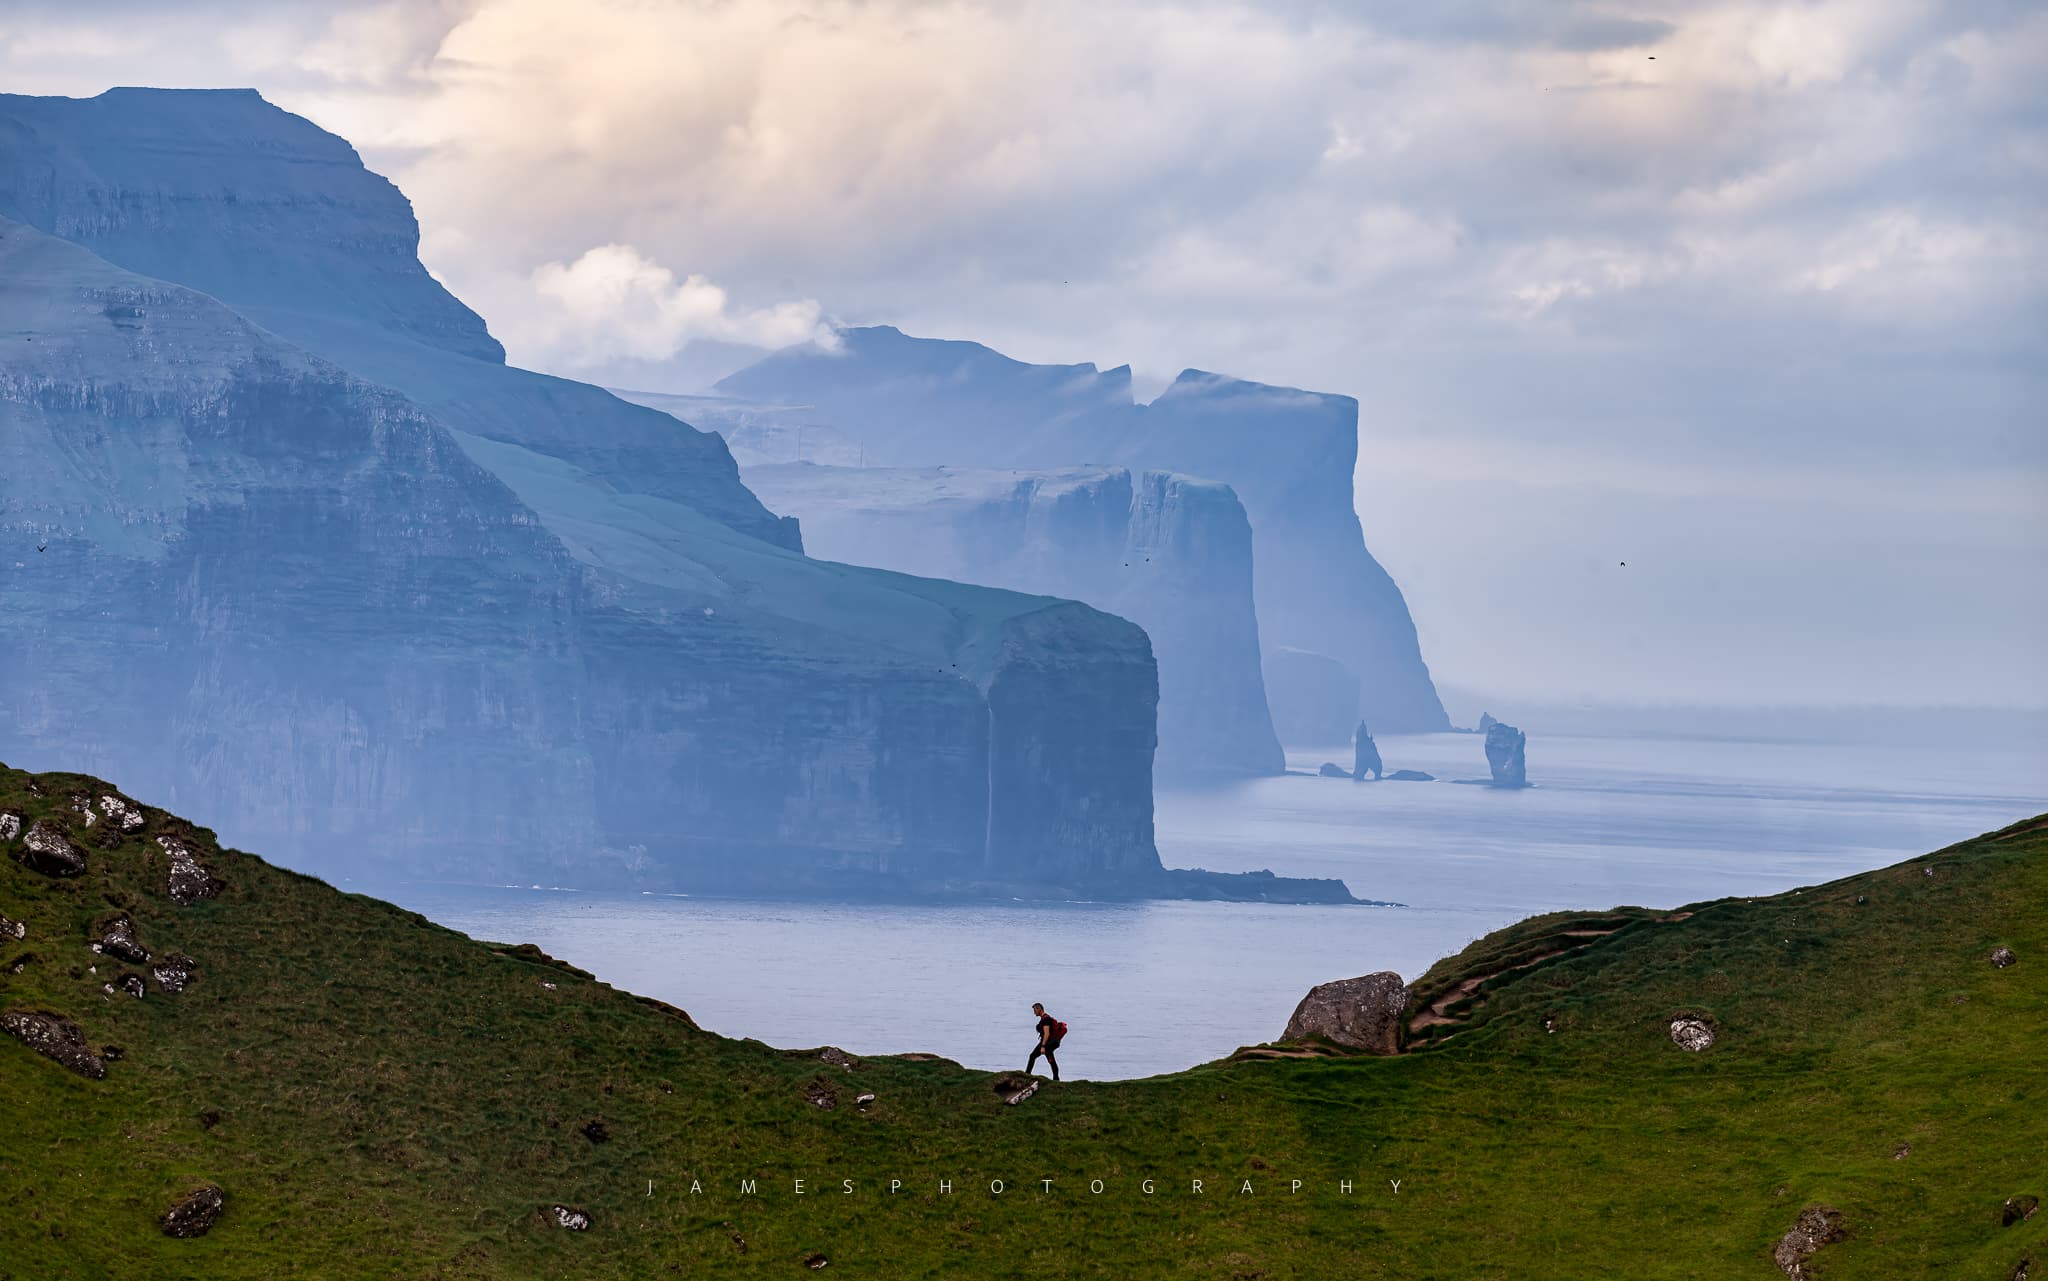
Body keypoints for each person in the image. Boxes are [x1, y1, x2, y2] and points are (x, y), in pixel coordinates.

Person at [1027, 1001, 1062, 1081]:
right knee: (1048, 1059)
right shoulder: (1044, 1019)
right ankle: (1056, 1079)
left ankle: (1026, 1075)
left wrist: (1043, 1046)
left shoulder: (1046, 1019)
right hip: (1049, 1042)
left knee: (1035, 1056)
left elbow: (1047, 1033)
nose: (1034, 1012)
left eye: (1035, 1010)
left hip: (1048, 1043)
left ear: (1039, 1009)